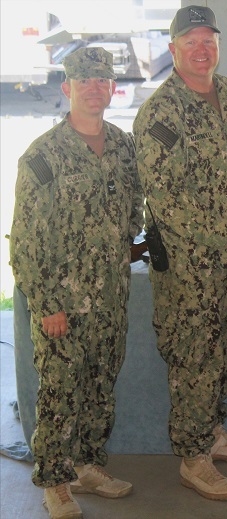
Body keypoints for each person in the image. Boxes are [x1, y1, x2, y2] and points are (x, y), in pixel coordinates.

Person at [132, 5, 227, 502]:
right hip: (190, 262)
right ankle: (192, 456)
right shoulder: (160, 112)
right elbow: (165, 198)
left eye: (209, 39)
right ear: (173, 50)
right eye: (191, 42)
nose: (201, 48)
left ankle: (211, 430)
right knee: (195, 355)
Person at [9, 47, 144, 519]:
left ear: (112, 88)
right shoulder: (44, 155)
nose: (93, 88)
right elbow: (25, 241)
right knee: (61, 392)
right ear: (67, 88)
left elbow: (133, 213)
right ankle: (55, 481)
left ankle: (88, 464)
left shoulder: (124, 145)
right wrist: (48, 303)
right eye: (83, 80)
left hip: (110, 298)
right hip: (62, 302)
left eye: (101, 80)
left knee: (101, 386)